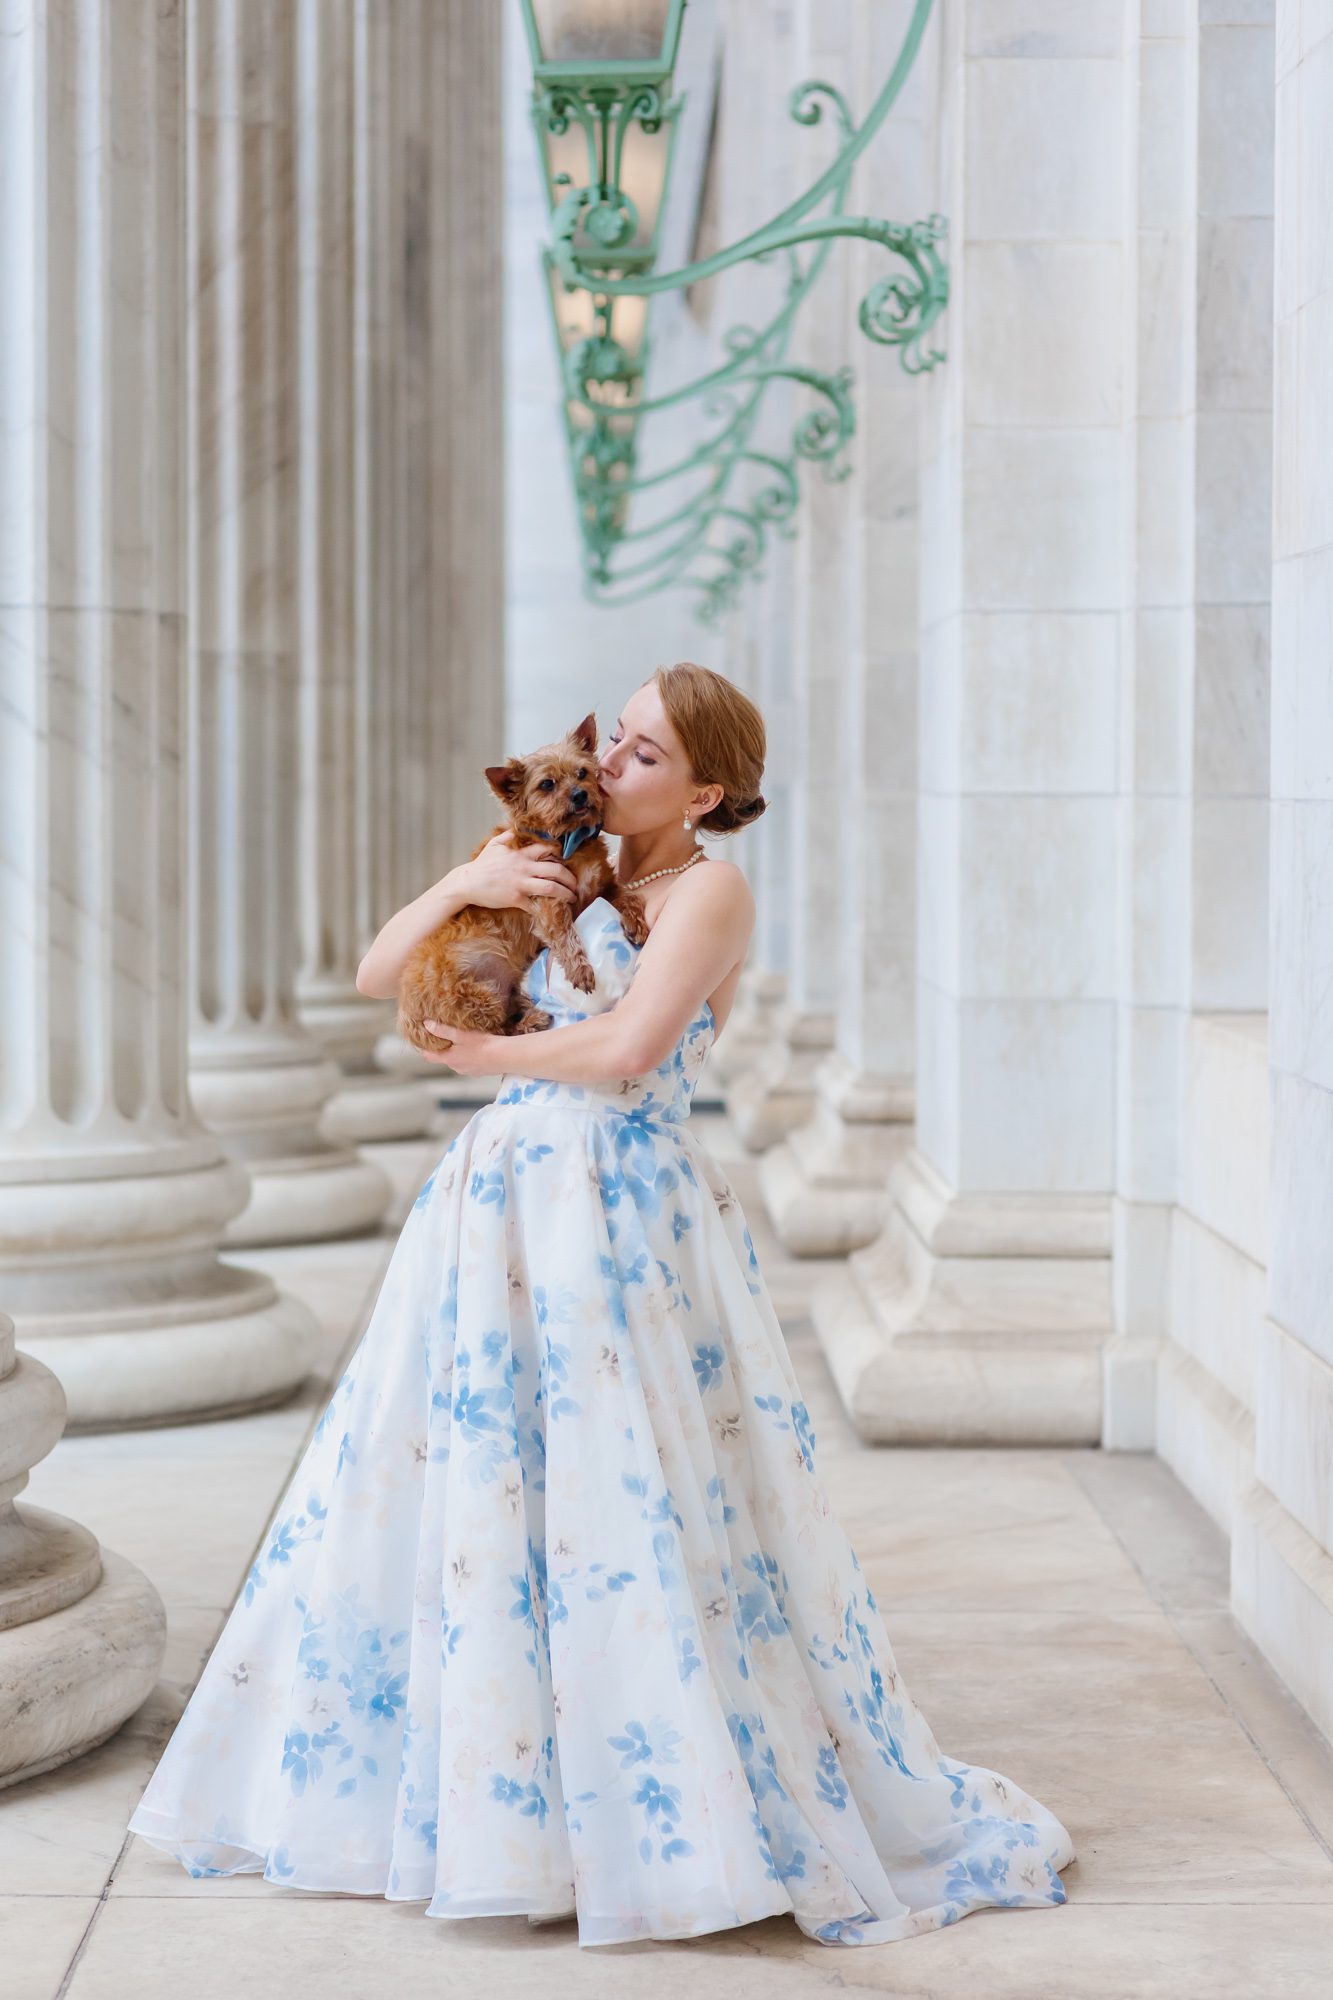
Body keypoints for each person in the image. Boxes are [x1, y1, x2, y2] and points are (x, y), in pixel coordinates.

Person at [126, 662, 1076, 1949]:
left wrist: (481, 1057)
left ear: (707, 787)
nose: (613, 764)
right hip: (493, 1206)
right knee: (476, 1484)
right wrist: (465, 886)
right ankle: (506, 1808)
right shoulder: (542, 856)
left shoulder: (708, 890)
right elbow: (374, 973)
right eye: (613, 739)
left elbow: (628, 1049)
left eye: (641, 754)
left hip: (616, 1207)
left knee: (618, 1492)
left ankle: (649, 1812)